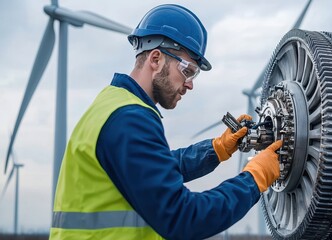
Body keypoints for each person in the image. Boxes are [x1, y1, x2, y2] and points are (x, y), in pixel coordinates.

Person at [49, 4, 282, 240]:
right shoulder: (130, 119)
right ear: (156, 59)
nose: (190, 84)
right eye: (188, 70)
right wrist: (254, 179)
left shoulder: (113, 106)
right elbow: (183, 217)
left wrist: (216, 149)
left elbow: (154, 169)